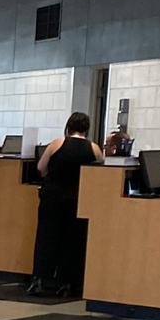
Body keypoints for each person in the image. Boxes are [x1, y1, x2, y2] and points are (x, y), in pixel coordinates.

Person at [29, 112, 104, 296]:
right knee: (73, 241)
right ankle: (68, 284)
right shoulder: (93, 148)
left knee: (47, 237)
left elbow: (40, 167)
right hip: (79, 199)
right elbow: (100, 174)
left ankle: (41, 280)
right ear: (87, 129)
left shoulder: (57, 143)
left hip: (53, 197)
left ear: (68, 127)